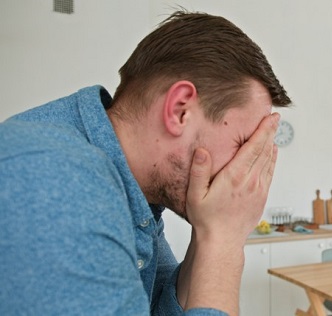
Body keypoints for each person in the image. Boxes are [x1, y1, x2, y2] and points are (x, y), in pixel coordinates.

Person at [0, 11, 291, 315]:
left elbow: (157, 309)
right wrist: (224, 239)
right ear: (180, 110)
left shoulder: (135, 200)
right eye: (244, 144)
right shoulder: (57, 180)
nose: (247, 171)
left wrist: (210, 236)